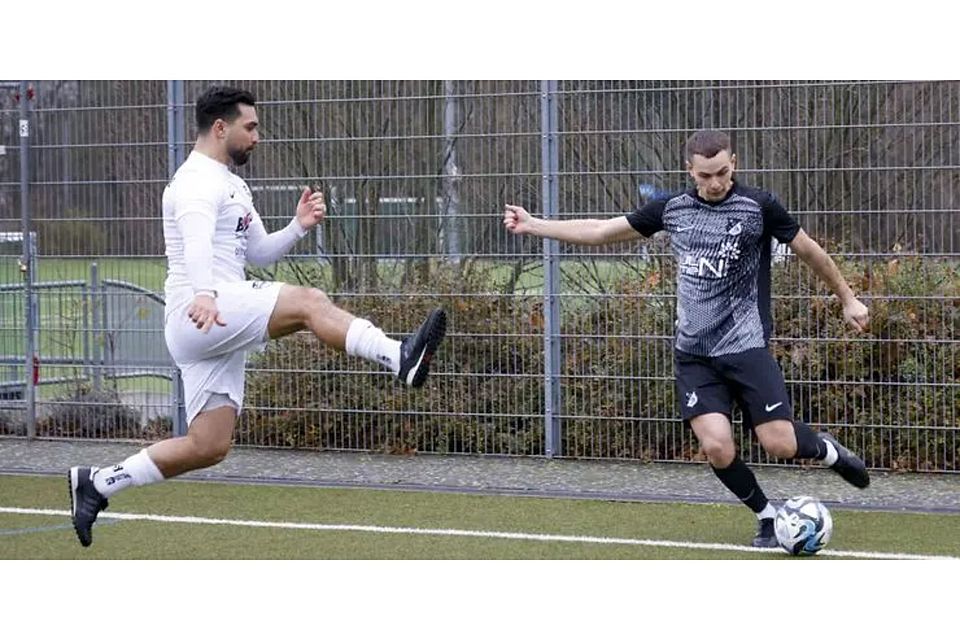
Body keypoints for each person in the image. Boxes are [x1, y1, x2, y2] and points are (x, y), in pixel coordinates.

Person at [67, 86, 447, 547]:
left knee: (209, 445)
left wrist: (298, 227)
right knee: (309, 302)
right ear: (220, 128)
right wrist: (205, 294)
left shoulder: (233, 183)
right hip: (204, 310)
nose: (257, 136)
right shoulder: (195, 183)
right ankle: (399, 356)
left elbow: (260, 254)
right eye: (250, 127)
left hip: (214, 315)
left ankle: (98, 483)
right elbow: (197, 243)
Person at [503, 129, 870, 547]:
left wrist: (848, 299)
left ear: (735, 163)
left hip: (746, 346)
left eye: (723, 172)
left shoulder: (759, 207)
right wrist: (535, 225)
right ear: (690, 171)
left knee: (781, 445)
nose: (715, 182)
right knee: (716, 447)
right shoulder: (672, 209)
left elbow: (810, 251)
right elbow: (603, 231)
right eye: (705, 175)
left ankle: (830, 453)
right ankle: (768, 517)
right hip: (695, 355)